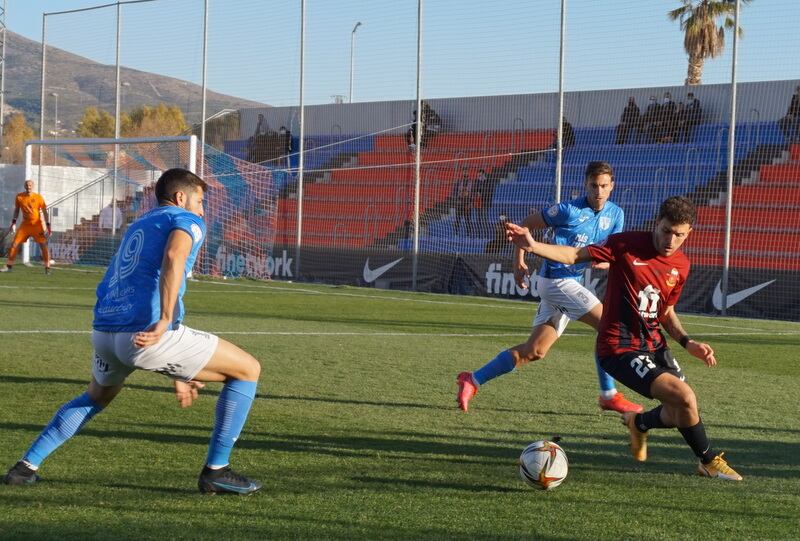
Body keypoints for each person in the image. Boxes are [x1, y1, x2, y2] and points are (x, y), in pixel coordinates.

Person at [3, 168, 264, 494]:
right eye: (200, 200)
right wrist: (166, 321)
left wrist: (178, 370)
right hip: (145, 333)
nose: (202, 209)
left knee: (96, 397)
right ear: (181, 198)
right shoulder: (188, 220)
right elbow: (173, 256)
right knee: (248, 370)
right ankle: (217, 470)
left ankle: (25, 467)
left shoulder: (140, 224)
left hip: (106, 331)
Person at [504, 196, 743, 481]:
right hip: (618, 347)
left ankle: (638, 422)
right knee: (684, 396)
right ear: (657, 223)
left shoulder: (681, 265)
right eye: (666, 230)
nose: (671, 240)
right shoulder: (624, 244)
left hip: (654, 344)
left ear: (689, 233)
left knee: (683, 408)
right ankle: (708, 461)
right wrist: (533, 246)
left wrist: (687, 342)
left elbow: (666, 312)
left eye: (679, 234)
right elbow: (574, 255)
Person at [456, 161, 642, 415]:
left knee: (535, 351)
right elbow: (527, 225)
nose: (598, 191)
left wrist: (607, 264)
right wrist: (519, 261)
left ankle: (473, 380)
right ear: (585, 185)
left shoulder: (616, 214)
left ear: (612, 186)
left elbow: (613, 256)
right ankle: (608, 394)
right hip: (555, 281)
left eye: (604, 186)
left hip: (570, 283)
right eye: (593, 185)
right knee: (608, 325)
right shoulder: (567, 210)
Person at [1, 180, 52, 274]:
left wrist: (48, 225)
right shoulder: (19, 197)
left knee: (43, 246)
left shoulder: (38, 197)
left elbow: (45, 211)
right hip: (25, 226)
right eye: (27, 185)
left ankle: (47, 268)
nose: (28, 187)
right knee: (14, 244)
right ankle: (9, 266)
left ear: (33, 186)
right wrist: (13, 222)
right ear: (24, 186)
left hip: (37, 225)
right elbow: (16, 210)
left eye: (30, 185)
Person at [452, 171, 475, 237]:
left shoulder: (471, 183)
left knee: (467, 219)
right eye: (465, 176)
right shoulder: (459, 183)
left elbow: (471, 194)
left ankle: (469, 234)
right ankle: (455, 233)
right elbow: (456, 193)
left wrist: (470, 203)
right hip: (460, 203)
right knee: (458, 219)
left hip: (467, 203)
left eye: (467, 176)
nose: (466, 178)